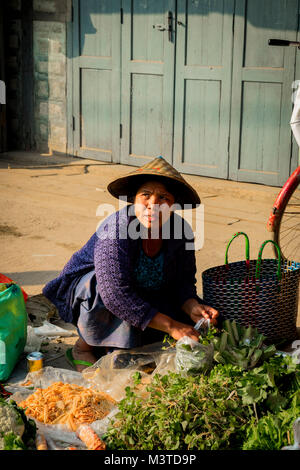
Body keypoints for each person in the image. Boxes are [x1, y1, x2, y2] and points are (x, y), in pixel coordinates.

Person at [42, 156, 219, 371]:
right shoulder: (117, 229)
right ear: (134, 199)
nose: (153, 204)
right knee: (102, 285)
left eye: (163, 197)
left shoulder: (181, 232)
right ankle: (83, 346)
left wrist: (192, 306)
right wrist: (172, 326)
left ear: (173, 205)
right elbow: (115, 294)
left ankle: (116, 341)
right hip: (92, 292)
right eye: (146, 195)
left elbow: (183, 282)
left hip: (141, 288)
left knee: (194, 326)